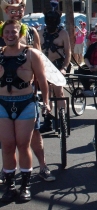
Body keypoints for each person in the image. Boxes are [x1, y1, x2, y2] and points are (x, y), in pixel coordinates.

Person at [0, 0, 55, 184]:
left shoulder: (31, 33)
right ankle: (6, 171)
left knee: (34, 137)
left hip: (28, 94)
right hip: (5, 95)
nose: (16, 12)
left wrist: (43, 97)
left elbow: (41, 63)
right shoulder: (3, 31)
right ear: (6, 11)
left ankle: (43, 165)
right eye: (12, 10)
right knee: (7, 142)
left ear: (24, 10)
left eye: (20, 9)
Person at [39, 9, 71, 132]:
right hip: (43, 65)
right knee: (45, 94)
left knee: (59, 92)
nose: (51, 23)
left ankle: (63, 117)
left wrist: (64, 67)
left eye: (53, 21)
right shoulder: (41, 32)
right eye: (49, 21)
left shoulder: (63, 33)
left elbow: (68, 53)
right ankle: (48, 119)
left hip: (57, 65)